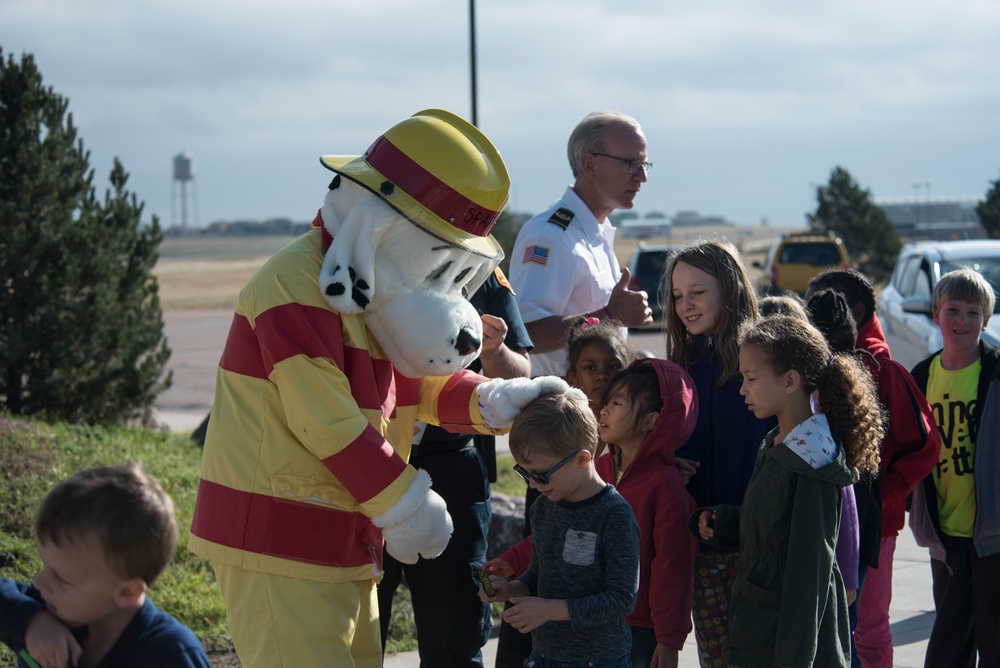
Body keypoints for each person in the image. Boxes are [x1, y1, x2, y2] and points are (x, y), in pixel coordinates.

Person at [693, 315, 884, 668]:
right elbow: (772, 528)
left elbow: (808, 576)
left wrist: (793, 659)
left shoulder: (813, 461)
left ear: (790, 381)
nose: (742, 389)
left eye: (750, 378)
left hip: (784, 644)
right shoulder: (777, 443)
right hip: (759, 631)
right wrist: (723, 522)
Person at [377, 269, 533, 668]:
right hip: (370, 462)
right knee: (357, 626)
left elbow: (522, 373)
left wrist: (495, 352)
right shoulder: (373, 260)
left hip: (452, 467)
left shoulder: (479, 269)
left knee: (456, 632)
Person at [806, 269, 939, 668]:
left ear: (856, 311)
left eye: (821, 306)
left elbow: (926, 444)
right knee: (834, 626)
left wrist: (885, 492)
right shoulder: (819, 366)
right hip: (827, 520)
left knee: (868, 628)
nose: (811, 314)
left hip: (874, 526)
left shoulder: (883, 370)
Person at [489, 315, 634, 668]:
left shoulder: (614, 515)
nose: (534, 485)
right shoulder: (544, 508)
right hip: (545, 655)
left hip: (599, 660)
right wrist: (514, 590)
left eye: (541, 474)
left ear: (584, 459)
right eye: (525, 473)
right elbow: (541, 575)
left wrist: (551, 609)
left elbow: (620, 600)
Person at [661, 239, 776, 667]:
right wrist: (668, 462)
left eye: (697, 292)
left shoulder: (765, 357)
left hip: (761, 544)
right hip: (704, 544)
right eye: (677, 296)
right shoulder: (680, 366)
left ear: (730, 289)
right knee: (717, 657)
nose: (685, 305)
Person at [0, 463, 211, 668]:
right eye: (45, 566)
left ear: (128, 591)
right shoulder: (47, 610)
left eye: (62, 578)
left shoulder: (171, 655)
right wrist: (31, 622)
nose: (39, 583)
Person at [509, 110, 653, 379]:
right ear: (590, 164)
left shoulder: (594, 232)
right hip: (556, 410)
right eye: (631, 163)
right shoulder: (550, 236)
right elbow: (524, 333)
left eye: (644, 165)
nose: (641, 177)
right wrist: (609, 316)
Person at [908, 268, 1000, 668]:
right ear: (935, 314)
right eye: (953, 310)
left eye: (973, 313)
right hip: (945, 535)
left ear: (987, 320)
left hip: (994, 535)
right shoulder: (921, 377)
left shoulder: (995, 374)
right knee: (948, 647)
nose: (962, 321)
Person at [595, 359, 699, 668]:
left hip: (639, 630)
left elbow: (673, 568)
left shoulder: (667, 489)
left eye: (616, 404)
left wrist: (669, 639)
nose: (603, 411)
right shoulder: (595, 471)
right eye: (605, 403)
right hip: (588, 616)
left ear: (650, 421)